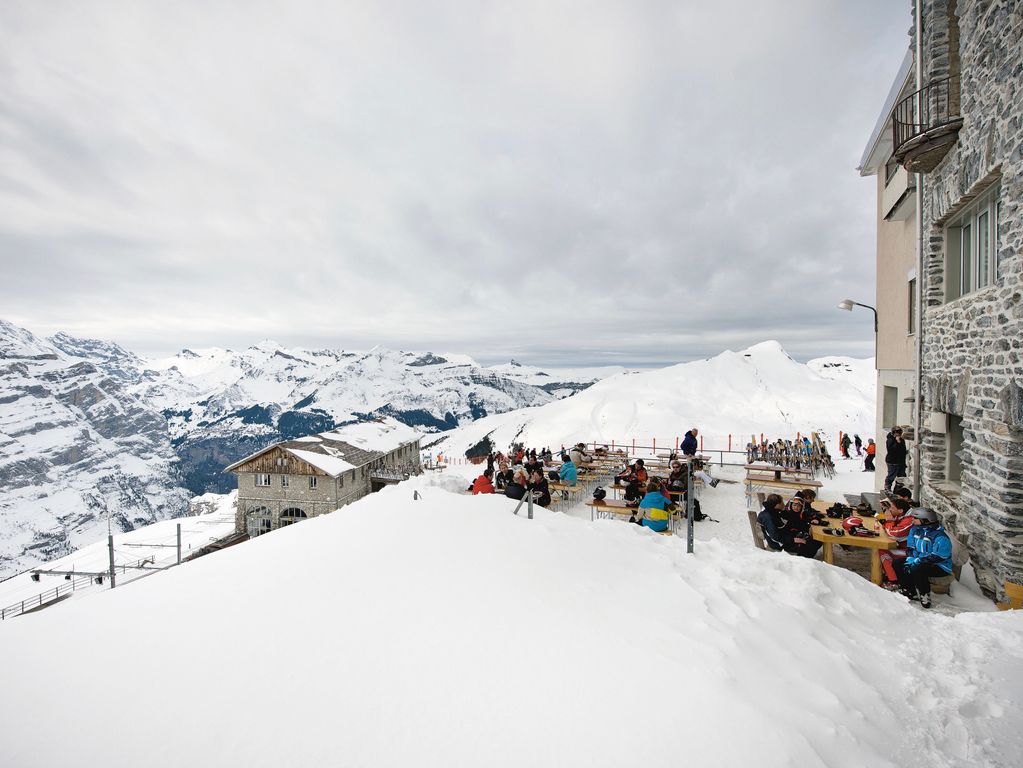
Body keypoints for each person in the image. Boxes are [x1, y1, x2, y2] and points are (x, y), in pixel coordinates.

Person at [897, 507, 953, 608]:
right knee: (898, 563)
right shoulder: (915, 530)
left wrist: (918, 560)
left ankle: (924, 595)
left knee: (917, 568)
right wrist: (912, 557)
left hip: (939, 565)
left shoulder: (940, 536)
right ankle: (909, 590)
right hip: (920, 560)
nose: (912, 520)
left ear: (924, 520)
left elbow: (939, 556)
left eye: (915, 518)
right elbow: (910, 547)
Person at [879, 497, 915, 586]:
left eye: (892, 508)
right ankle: (888, 575)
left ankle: (893, 580)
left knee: (883, 551)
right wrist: (886, 516)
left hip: (912, 552)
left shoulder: (910, 520)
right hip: (904, 547)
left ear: (900, 510)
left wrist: (889, 521)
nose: (890, 509)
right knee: (882, 549)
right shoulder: (902, 516)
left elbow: (895, 534)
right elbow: (887, 524)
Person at [885, 427, 908, 491]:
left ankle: (898, 488)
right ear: (893, 433)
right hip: (893, 462)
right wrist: (897, 442)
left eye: (899, 433)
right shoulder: (890, 440)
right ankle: (887, 487)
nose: (898, 435)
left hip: (900, 461)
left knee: (902, 476)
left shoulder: (901, 439)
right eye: (897, 433)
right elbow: (891, 450)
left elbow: (902, 448)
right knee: (891, 475)